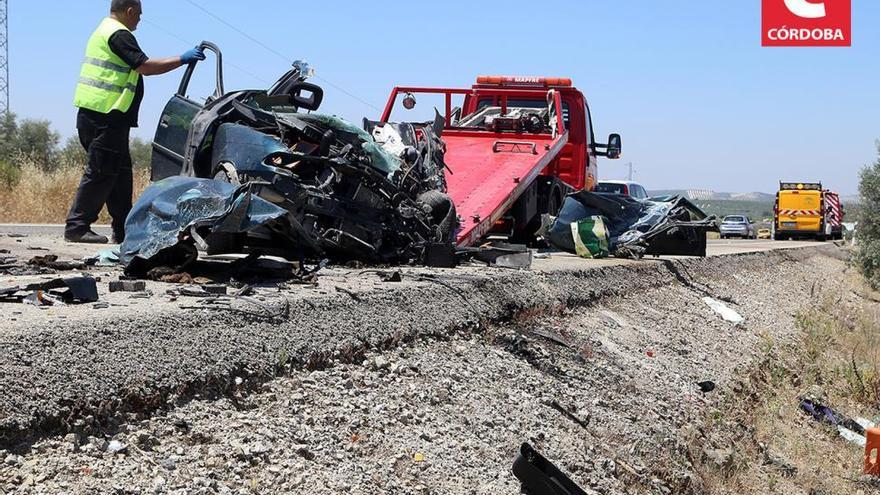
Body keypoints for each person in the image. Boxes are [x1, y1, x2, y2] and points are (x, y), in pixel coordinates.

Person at [65, 0, 205, 244]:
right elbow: (145, 67)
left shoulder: (104, 30)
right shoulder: (118, 34)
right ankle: (77, 227)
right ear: (129, 11)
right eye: (139, 14)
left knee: (120, 175)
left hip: (105, 116)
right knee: (101, 172)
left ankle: (124, 229)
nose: (140, 19)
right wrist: (182, 59)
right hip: (105, 115)